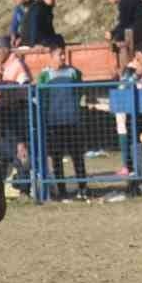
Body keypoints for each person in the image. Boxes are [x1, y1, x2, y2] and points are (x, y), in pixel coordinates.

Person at [38, 45, 89, 200]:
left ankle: (83, 189)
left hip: (72, 121)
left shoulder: (73, 72)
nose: (63, 57)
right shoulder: (45, 75)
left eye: (63, 54)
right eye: (60, 54)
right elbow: (41, 97)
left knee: (77, 157)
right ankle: (62, 191)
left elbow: (80, 92)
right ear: (51, 56)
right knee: (57, 158)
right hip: (54, 123)